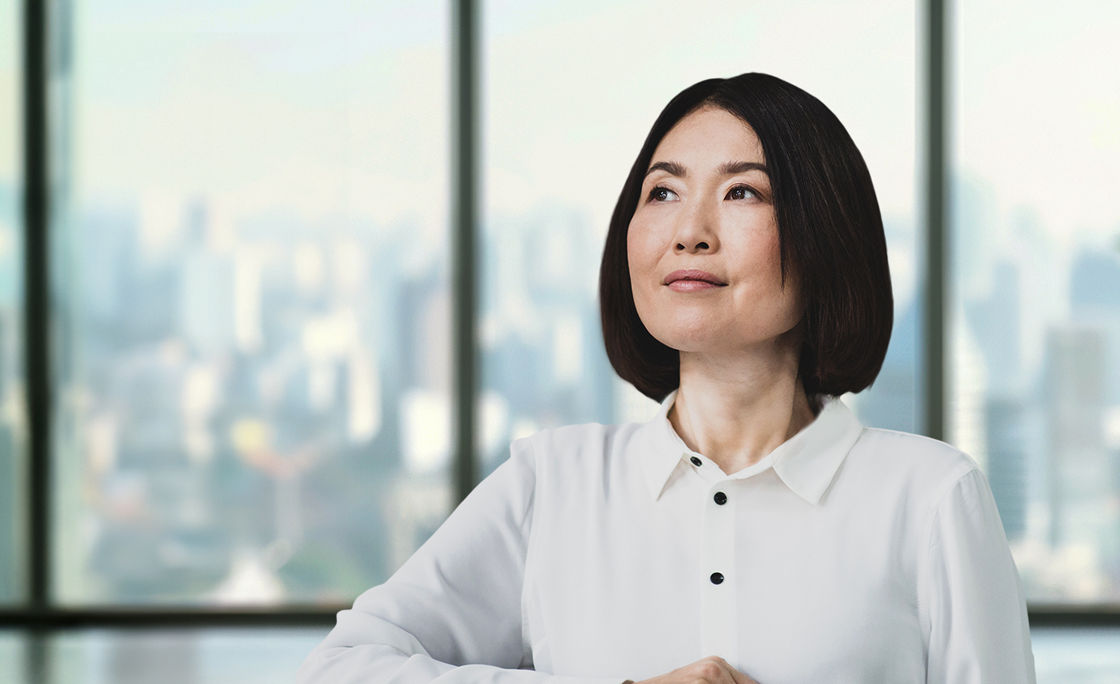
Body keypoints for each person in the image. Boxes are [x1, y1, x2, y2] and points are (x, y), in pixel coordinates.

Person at [296, 72, 1037, 683]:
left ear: (825, 236)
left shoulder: (931, 497)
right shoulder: (553, 483)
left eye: (743, 192)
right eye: (663, 192)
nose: (690, 229)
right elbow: (341, 669)